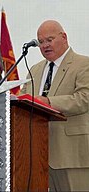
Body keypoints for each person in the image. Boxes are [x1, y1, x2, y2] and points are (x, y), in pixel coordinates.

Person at [20, 20, 89, 191]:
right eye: (41, 42)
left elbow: (84, 99)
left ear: (64, 37)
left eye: (49, 40)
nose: (44, 45)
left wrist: (49, 102)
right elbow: (23, 99)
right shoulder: (34, 70)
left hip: (72, 155)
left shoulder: (84, 64)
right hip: (37, 155)